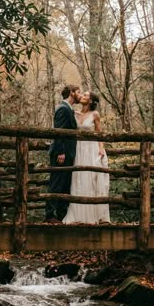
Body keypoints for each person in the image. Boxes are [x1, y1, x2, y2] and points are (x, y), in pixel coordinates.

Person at [63, 90, 110, 224]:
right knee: (79, 178)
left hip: (92, 149)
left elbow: (99, 133)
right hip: (79, 149)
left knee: (91, 178)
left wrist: (101, 149)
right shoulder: (74, 114)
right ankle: (78, 215)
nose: (82, 96)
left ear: (90, 101)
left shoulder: (95, 114)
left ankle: (93, 215)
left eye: (85, 95)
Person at [44, 84, 81, 223]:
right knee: (57, 183)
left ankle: (61, 216)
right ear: (71, 93)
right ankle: (49, 215)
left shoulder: (69, 110)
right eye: (78, 91)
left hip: (68, 154)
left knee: (65, 185)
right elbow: (58, 132)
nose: (80, 94)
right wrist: (61, 152)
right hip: (62, 154)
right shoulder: (62, 109)